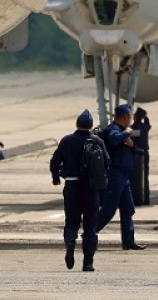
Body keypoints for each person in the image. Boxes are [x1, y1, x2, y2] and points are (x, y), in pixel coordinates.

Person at [50, 108, 108, 272]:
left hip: (72, 186)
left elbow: (55, 161)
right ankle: (88, 262)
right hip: (91, 189)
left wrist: (55, 177)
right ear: (90, 125)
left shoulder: (67, 140)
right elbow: (107, 162)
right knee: (90, 226)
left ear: (77, 124)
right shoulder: (97, 141)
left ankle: (70, 242)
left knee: (71, 222)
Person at [96, 103, 146, 250]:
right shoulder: (114, 130)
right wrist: (128, 133)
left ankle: (128, 241)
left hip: (124, 177)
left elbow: (135, 150)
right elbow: (113, 139)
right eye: (129, 117)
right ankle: (90, 233)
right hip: (114, 175)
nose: (130, 120)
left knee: (128, 208)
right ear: (125, 117)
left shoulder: (122, 131)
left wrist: (131, 146)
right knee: (109, 209)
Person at [132, 107, 151, 205]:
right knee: (145, 177)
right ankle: (146, 198)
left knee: (136, 177)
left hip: (137, 155)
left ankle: (137, 198)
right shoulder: (145, 127)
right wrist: (145, 117)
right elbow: (148, 125)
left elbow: (132, 140)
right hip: (145, 153)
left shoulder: (135, 128)